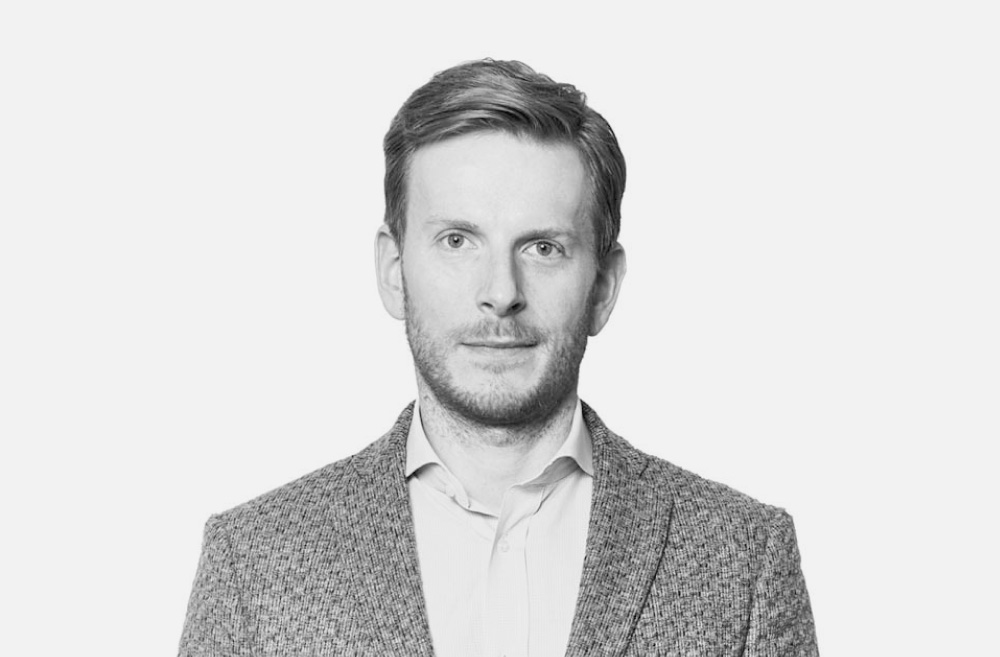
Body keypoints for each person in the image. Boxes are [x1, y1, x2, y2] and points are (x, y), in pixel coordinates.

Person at [178, 59, 819, 656]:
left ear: (602, 287)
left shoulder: (744, 559)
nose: (501, 292)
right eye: (458, 241)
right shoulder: (252, 565)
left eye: (543, 248)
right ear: (394, 271)